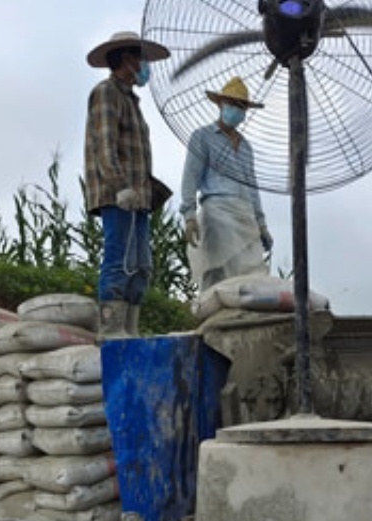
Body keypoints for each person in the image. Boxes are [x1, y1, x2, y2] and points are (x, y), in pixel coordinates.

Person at [84, 31, 170, 339]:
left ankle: (130, 330)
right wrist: (119, 184)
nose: (145, 66)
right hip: (117, 194)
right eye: (141, 59)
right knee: (119, 260)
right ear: (126, 60)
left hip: (138, 196)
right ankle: (111, 330)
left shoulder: (132, 101)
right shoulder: (106, 93)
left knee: (141, 266)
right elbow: (104, 144)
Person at [180, 76, 273, 293]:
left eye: (241, 106)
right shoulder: (202, 137)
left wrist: (261, 224)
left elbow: (252, 187)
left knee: (251, 278)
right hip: (217, 212)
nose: (237, 110)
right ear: (221, 104)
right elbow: (190, 177)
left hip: (245, 216)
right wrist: (190, 216)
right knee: (217, 274)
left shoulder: (246, 147)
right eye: (232, 104)